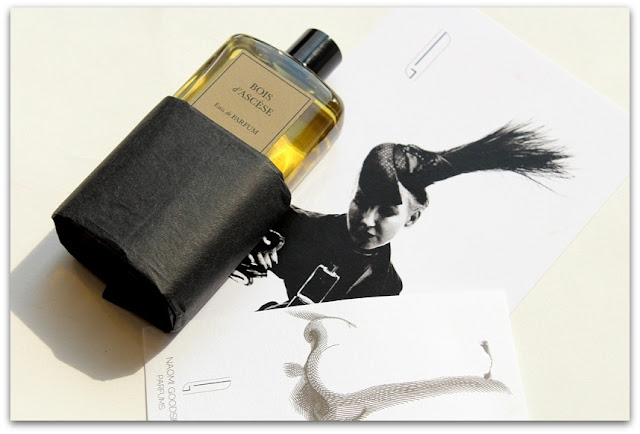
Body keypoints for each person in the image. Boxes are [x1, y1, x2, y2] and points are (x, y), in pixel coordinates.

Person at [232, 123, 568, 309]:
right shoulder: (290, 224)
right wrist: (247, 246)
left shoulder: (386, 287)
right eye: (361, 201)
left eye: (386, 211)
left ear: (412, 218)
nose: (366, 219)